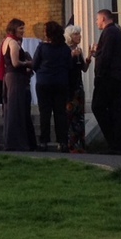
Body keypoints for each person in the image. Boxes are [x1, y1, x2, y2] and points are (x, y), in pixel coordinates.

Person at [91, 9, 121, 154]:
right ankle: (119, 144)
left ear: (103, 18)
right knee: (115, 109)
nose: (96, 22)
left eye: (97, 19)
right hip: (117, 77)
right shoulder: (115, 32)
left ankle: (114, 141)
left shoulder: (109, 33)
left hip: (109, 78)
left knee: (98, 107)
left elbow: (106, 56)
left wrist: (99, 75)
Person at [33, 22, 73, 150]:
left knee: (45, 113)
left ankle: (44, 141)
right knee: (60, 113)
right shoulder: (65, 49)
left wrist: (42, 71)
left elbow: (34, 65)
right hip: (60, 82)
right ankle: (62, 141)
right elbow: (70, 67)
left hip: (44, 82)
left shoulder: (42, 48)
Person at [1, 19, 34, 151]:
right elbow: (15, 63)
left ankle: (14, 142)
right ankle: (16, 143)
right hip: (15, 77)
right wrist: (28, 63)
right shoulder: (13, 43)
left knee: (13, 109)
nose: (23, 31)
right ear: (14, 28)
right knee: (17, 110)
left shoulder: (6, 41)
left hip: (9, 77)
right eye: (20, 28)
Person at [63, 25, 89, 153]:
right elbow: (64, 68)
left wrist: (89, 58)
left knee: (79, 116)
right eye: (76, 34)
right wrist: (72, 56)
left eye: (79, 34)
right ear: (69, 37)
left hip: (78, 86)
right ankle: (69, 144)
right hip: (69, 86)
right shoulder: (66, 50)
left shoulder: (79, 50)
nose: (79, 36)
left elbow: (84, 68)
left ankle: (80, 145)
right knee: (70, 115)